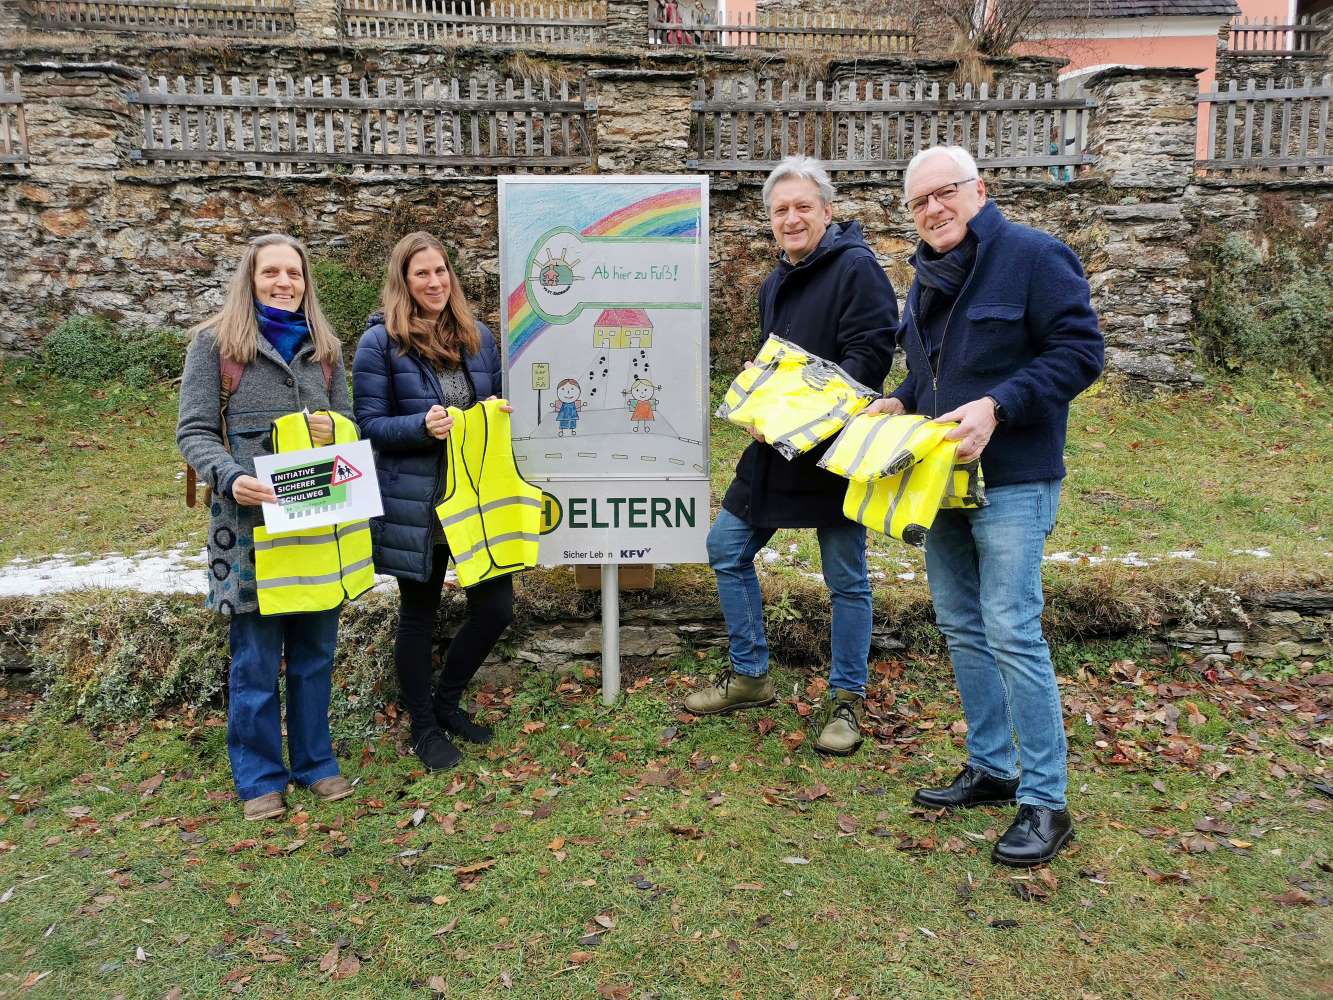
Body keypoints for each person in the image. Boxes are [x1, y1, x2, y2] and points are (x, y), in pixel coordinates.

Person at [873, 145, 1103, 866]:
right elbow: (930, 373)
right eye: (918, 202)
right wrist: (899, 401)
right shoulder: (925, 280)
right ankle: (992, 767)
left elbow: (1080, 352)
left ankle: (1045, 801)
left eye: (944, 193)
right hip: (938, 483)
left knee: (1010, 628)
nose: (932, 210)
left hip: (1013, 478)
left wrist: (998, 407)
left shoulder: (1035, 256)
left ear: (979, 190)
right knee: (961, 627)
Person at [686, 155, 899, 756]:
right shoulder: (775, 280)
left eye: (803, 206)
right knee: (726, 547)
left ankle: (845, 700)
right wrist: (758, 403)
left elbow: (871, 353)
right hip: (777, 448)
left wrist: (810, 415)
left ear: (827, 211)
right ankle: (751, 676)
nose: (791, 218)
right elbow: (773, 363)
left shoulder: (857, 269)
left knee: (845, 577)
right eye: (780, 210)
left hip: (835, 449)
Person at [177, 233, 356, 822]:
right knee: (254, 659)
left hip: (316, 523)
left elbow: (350, 422)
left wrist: (334, 427)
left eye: (294, 274)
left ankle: (316, 763)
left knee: (315, 652)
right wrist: (229, 477)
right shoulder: (215, 346)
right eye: (271, 273)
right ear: (249, 280)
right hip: (248, 528)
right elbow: (194, 432)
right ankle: (259, 778)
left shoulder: (324, 350)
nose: (284, 283)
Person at [353, 232, 514, 772]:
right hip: (417, 503)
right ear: (403, 280)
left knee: (496, 608)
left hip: (475, 496)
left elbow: (488, 402)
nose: (435, 282)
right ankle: (422, 727)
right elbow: (369, 425)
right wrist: (421, 427)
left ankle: (447, 703)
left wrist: (497, 413)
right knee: (418, 616)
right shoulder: (379, 344)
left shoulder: (478, 337)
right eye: (421, 274)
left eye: (441, 271)